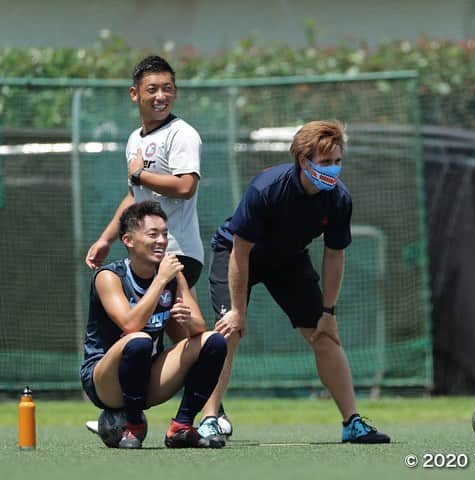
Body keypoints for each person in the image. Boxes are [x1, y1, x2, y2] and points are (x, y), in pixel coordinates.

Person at [196, 120, 390, 444]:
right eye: (325, 162)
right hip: (238, 254)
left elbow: (334, 255)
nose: (333, 169)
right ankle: (209, 420)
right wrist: (238, 312)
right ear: (304, 160)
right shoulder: (267, 188)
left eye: (337, 162)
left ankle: (352, 423)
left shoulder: (339, 200)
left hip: (288, 260)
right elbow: (240, 250)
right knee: (227, 333)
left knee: (324, 334)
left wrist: (328, 311)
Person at [80, 201, 227, 449]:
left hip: (146, 376)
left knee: (214, 341)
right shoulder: (109, 277)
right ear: (128, 240)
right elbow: (130, 324)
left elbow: (199, 326)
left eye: (164, 234)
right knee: (139, 340)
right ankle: (133, 425)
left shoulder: (171, 273)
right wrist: (159, 281)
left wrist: (188, 320)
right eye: (152, 234)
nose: (161, 241)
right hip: (104, 383)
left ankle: (181, 427)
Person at [85, 55, 204, 289]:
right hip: (148, 256)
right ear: (134, 94)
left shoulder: (181, 134)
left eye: (167, 89)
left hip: (175, 253)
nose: (161, 96)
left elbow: (186, 187)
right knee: (178, 324)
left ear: (175, 93)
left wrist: (141, 174)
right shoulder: (134, 139)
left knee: (142, 322)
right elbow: (134, 196)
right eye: (152, 89)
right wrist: (106, 240)